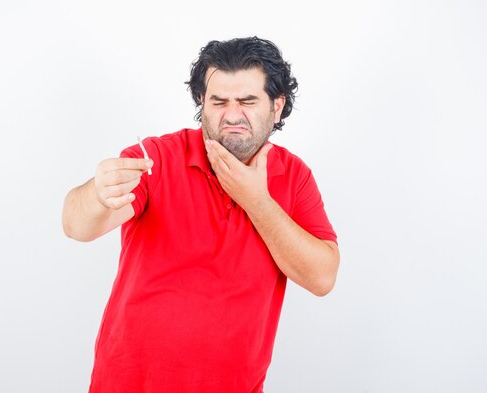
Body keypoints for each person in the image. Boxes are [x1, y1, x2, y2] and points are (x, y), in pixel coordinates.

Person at [62, 36, 340, 393]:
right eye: (219, 101)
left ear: (277, 105)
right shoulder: (157, 157)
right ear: (202, 103)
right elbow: (76, 225)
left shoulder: (295, 176)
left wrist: (257, 202)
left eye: (248, 101)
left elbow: (323, 277)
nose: (232, 115)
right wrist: (96, 194)